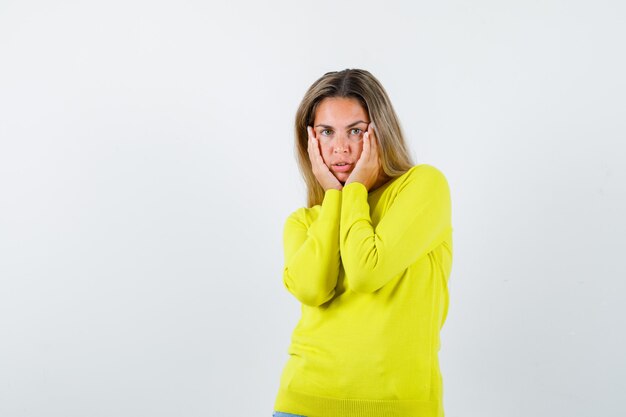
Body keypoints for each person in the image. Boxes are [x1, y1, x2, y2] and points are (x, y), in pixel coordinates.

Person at [272, 69, 454, 417]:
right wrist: (334, 200)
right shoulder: (303, 221)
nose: (341, 147)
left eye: (356, 131)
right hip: (303, 403)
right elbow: (313, 289)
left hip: (399, 408)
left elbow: (366, 272)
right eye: (326, 132)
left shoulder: (422, 187)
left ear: (380, 132)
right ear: (310, 142)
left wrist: (352, 190)